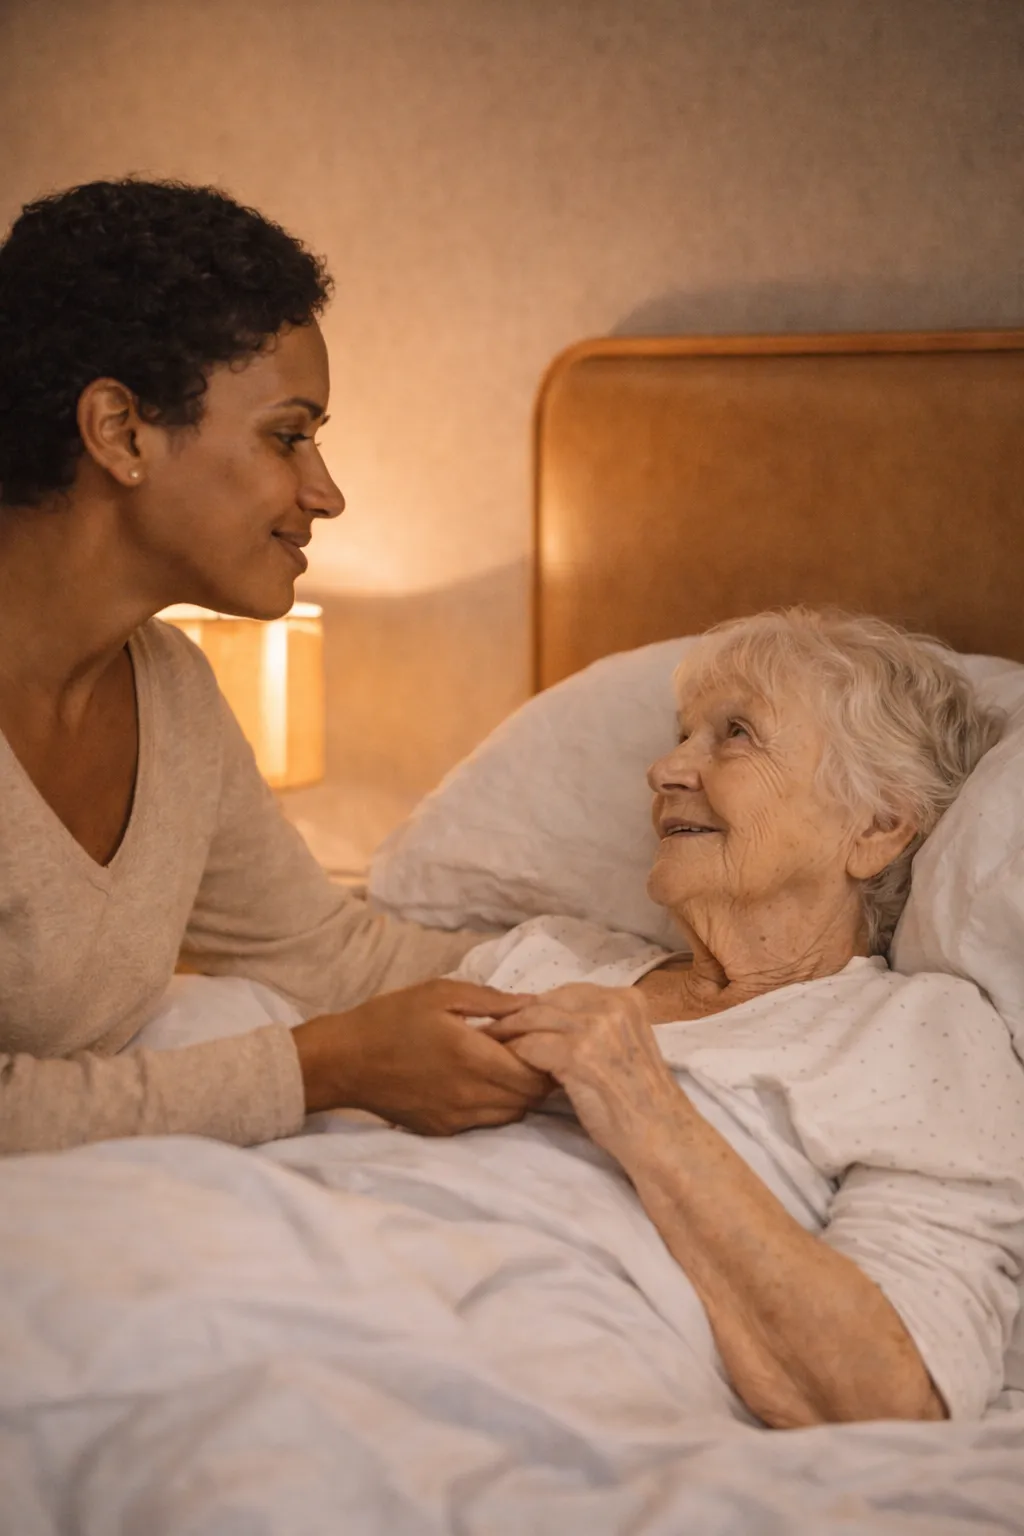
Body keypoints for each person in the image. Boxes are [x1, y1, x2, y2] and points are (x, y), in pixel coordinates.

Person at [0, 177, 547, 1156]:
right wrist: (315, 1068)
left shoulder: (168, 691)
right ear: (121, 432)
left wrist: (657, 985)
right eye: (288, 435)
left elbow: (333, 959)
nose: (325, 492)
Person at [448, 609, 1024, 1427]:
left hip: (504, 1366)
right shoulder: (540, 957)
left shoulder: (921, 1036)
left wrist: (646, 1110)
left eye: (736, 734)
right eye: (683, 736)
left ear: (876, 827)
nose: (665, 769)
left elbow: (895, 1397)